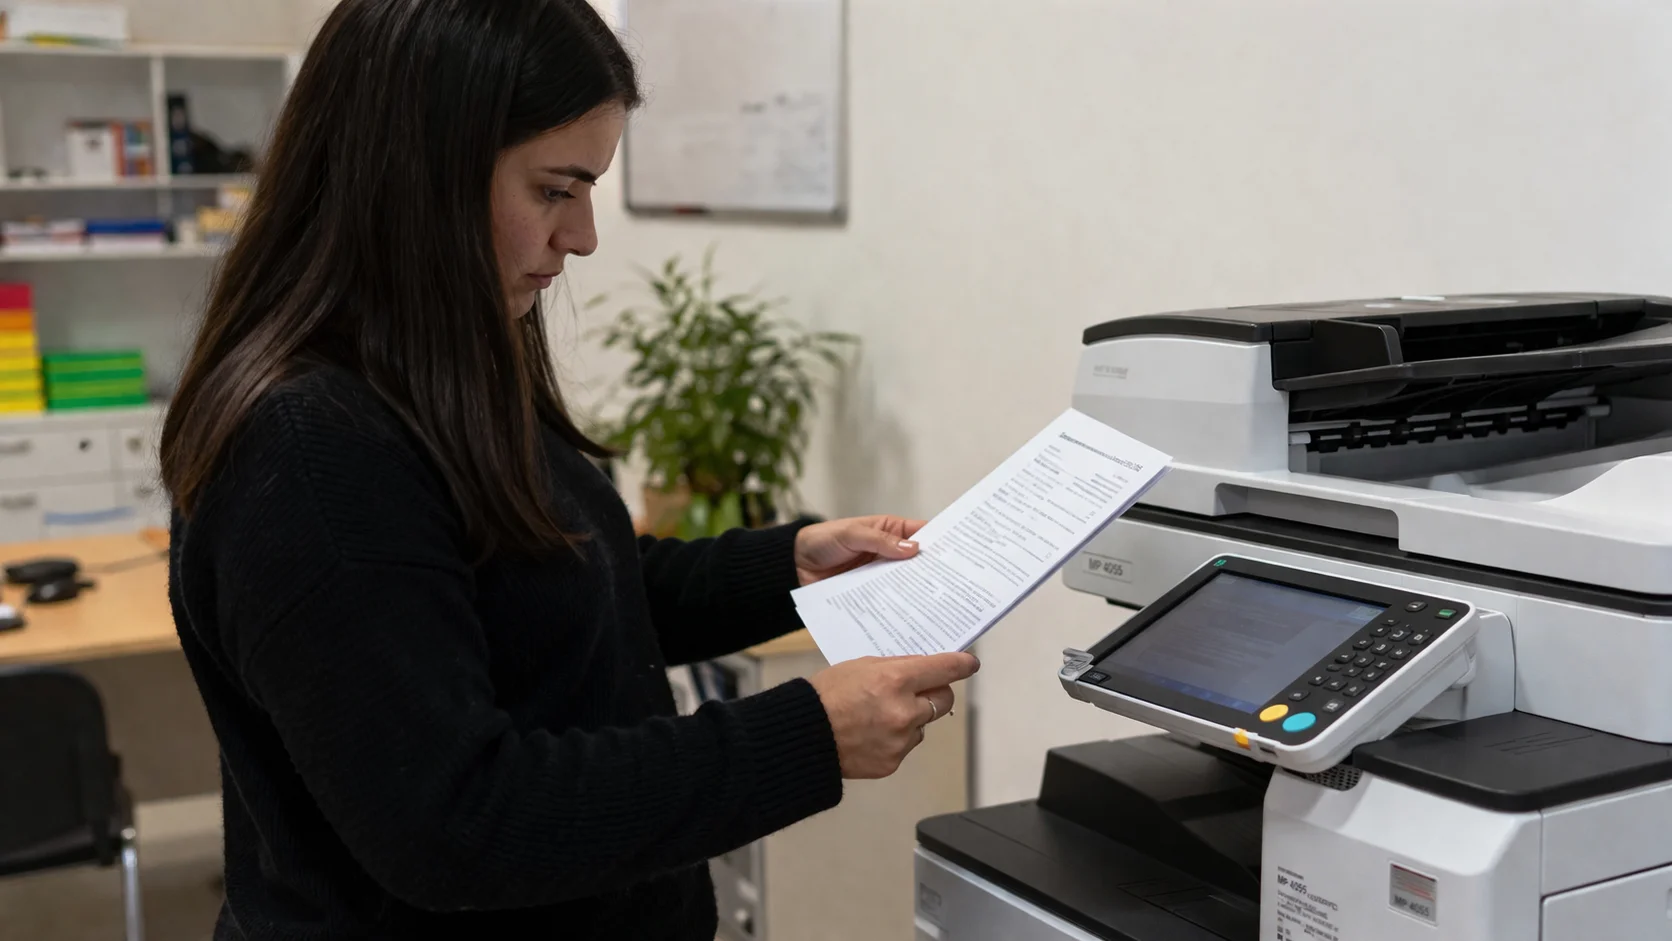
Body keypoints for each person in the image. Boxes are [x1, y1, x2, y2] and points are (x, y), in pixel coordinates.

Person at [157, 1, 979, 938]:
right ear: (418, 175)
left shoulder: (437, 365)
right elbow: (457, 823)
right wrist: (806, 736)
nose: (582, 236)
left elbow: (549, 584)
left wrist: (784, 568)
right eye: (555, 190)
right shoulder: (309, 449)